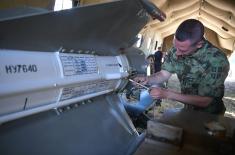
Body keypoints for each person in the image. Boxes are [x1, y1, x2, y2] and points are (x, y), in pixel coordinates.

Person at [134, 19, 230, 114]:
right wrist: (148, 79)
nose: (177, 53)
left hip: (210, 115)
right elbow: (163, 74)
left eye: (183, 50)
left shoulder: (216, 60)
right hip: (188, 110)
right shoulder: (176, 49)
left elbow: (205, 101)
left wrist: (167, 94)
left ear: (199, 44)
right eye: (175, 46)